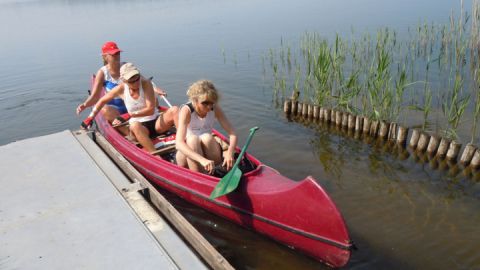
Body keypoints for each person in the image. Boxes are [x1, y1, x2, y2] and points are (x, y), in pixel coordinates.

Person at [83, 62, 179, 153]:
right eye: (131, 81)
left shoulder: (146, 84)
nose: (136, 83)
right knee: (135, 125)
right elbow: (101, 101)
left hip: (155, 123)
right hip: (140, 128)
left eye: (137, 78)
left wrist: (129, 115)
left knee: (175, 110)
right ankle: (156, 156)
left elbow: (150, 110)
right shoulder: (120, 89)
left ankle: (185, 141)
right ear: (123, 80)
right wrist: (90, 117)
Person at [76, 41, 167, 124]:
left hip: (134, 107)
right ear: (105, 57)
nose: (116, 56)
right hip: (116, 110)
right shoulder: (102, 73)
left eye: (118, 53)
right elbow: (95, 97)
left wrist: (156, 90)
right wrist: (85, 105)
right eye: (113, 54)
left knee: (153, 99)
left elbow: (143, 82)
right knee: (104, 109)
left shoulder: (127, 67)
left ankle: (152, 120)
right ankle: (127, 130)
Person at [175, 80, 237, 175]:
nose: (209, 107)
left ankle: (217, 172)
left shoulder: (215, 108)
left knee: (207, 137)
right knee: (192, 139)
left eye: (212, 103)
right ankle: (199, 176)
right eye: (205, 103)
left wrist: (230, 152)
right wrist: (202, 160)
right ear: (195, 100)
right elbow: (178, 144)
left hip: (207, 151)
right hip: (188, 154)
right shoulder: (186, 111)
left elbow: (233, 133)